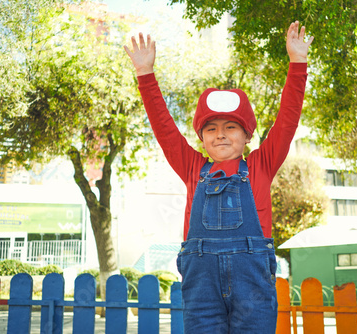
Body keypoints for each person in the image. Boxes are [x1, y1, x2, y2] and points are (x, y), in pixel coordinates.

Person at [125, 21, 313, 333]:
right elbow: (164, 127)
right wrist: (145, 74)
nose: (220, 135)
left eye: (230, 127)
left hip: (251, 284)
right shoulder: (192, 168)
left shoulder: (261, 165)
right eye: (211, 128)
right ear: (201, 138)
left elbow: (288, 118)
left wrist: (298, 64)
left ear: (246, 135)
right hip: (202, 286)